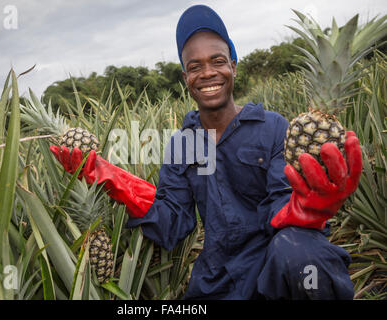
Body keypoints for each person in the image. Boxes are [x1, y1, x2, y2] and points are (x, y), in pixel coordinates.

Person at [50, 4, 362, 299]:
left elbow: (281, 201)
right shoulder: (182, 144)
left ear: (233, 67)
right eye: (195, 66)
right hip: (217, 279)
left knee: (299, 251)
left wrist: (304, 208)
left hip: (275, 266)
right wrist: (115, 181)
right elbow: (173, 224)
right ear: (186, 78)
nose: (208, 73)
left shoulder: (273, 127)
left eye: (217, 61)